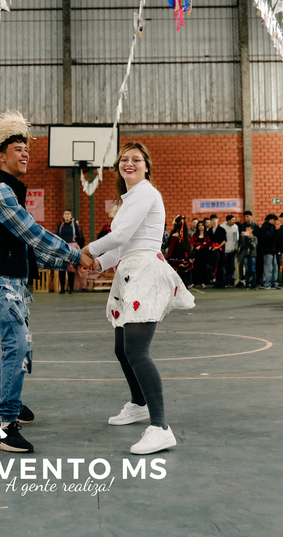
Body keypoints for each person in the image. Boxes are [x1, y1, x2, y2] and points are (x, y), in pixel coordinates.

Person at [0, 111, 94, 453]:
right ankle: (6, 427)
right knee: (17, 343)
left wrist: (69, 264)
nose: (25, 154)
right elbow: (32, 233)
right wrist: (74, 254)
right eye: (17, 149)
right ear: (0, 157)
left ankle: (1, 395)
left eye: (26, 150)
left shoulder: (12, 192)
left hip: (11, 283)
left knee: (22, 343)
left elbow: (27, 249)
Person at [81, 142, 194, 454]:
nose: (129, 163)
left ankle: (160, 428)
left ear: (146, 166)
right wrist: (97, 264)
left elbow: (119, 236)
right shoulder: (130, 198)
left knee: (137, 350)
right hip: (129, 270)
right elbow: (121, 246)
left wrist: (85, 250)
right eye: (124, 159)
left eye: (136, 159)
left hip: (145, 272)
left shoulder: (145, 192)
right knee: (122, 348)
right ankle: (139, 404)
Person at [56, 210, 84, 294]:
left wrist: (75, 244)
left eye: (68, 214)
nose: (67, 215)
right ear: (63, 215)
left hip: (71, 246)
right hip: (62, 247)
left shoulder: (74, 225)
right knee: (62, 267)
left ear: (71, 216)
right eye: (65, 214)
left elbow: (79, 236)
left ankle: (71, 288)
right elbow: (57, 235)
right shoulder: (61, 225)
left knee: (71, 268)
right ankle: (62, 289)